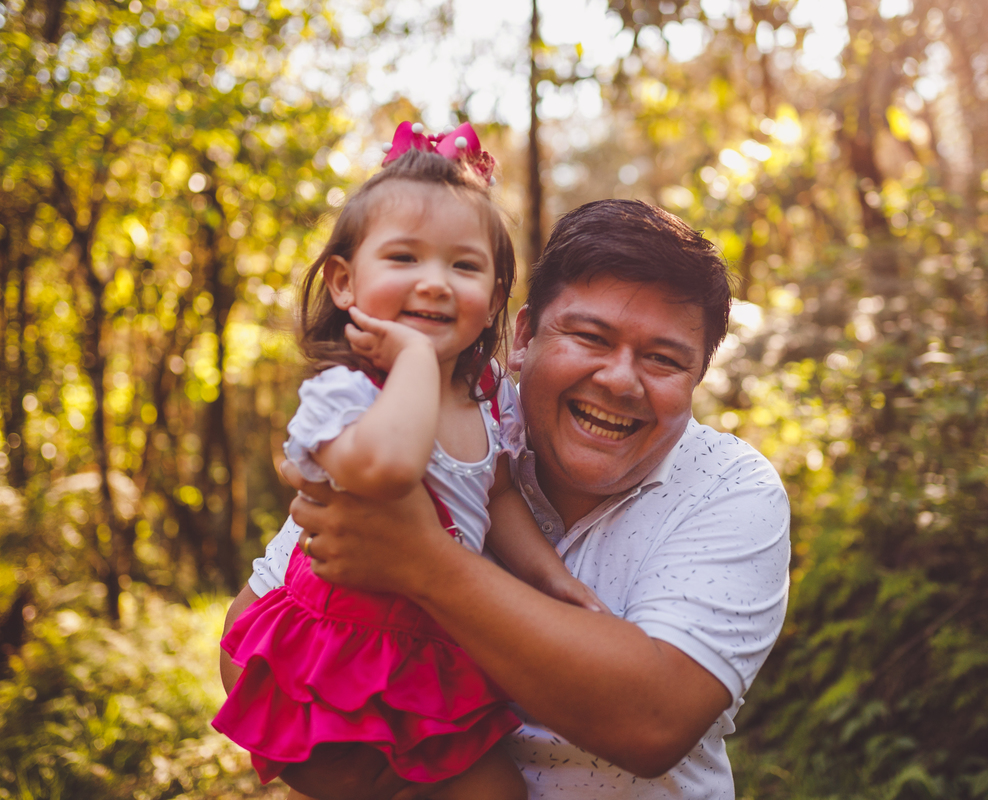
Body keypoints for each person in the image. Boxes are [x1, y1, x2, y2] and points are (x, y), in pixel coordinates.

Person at [229, 199, 791, 799]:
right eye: (590, 336)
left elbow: (652, 722)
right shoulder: (436, 418)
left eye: (663, 359)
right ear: (523, 337)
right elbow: (253, 631)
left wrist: (425, 562)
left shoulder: (731, 488)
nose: (620, 380)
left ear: (697, 378)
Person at [214, 123, 606, 800]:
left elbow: (498, 495)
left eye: (464, 266)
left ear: (495, 298)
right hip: (327, 657)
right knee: (357, 783)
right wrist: (418, 361)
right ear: (344, 282)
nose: (434, 283)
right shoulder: (346, 393)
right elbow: (387, 470)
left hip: (426, 653)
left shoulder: (487, 398)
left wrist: (551, 578)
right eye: (404, 257)